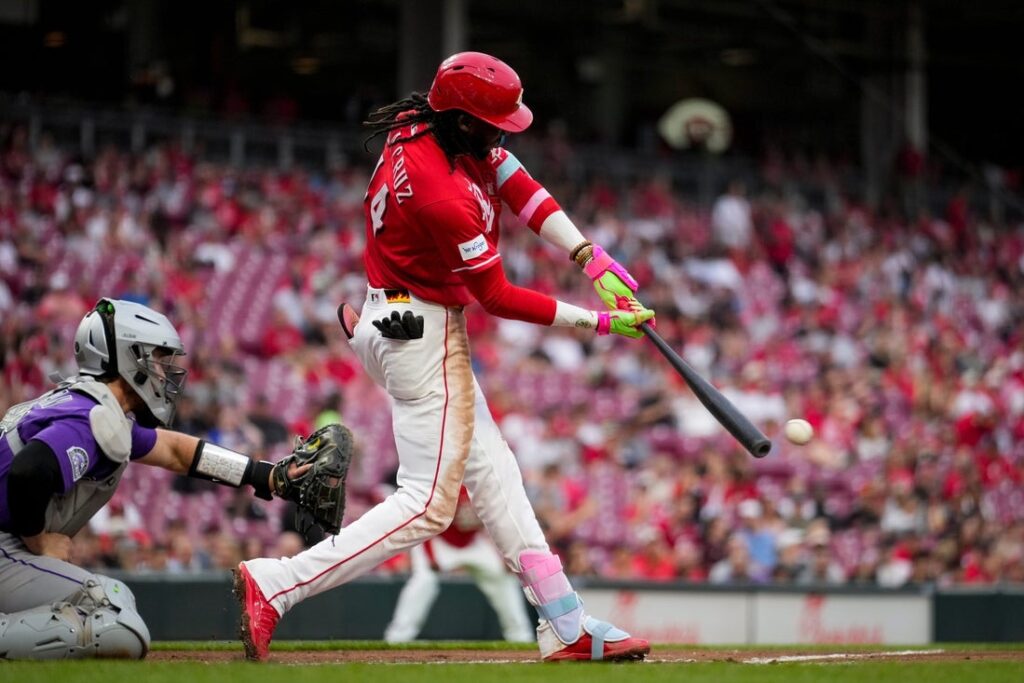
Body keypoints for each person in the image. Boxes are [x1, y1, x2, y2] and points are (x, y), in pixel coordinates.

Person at [236, 51, 653, 663]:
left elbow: (517, 182)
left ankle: (564, 620)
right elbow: (497, 297)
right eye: (495, 123)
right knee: (428, 505)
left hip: (397, 319)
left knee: (496, 473)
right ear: (461, 120)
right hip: (422, 335)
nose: (504, 133)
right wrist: (599, 322)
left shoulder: (425, 126)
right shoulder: (440, 193)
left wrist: (587, 255)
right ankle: (278, 583)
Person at [0, 298, 304, 659]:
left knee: (116, 598)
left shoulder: (88, 405)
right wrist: (40, 543)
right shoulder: (88, 418)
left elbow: (176, 451)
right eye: (157, 359)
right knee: (117, 622)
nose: (164, 373)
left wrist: (263, 475)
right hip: (8, 546)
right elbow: (28, 472)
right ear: (130, 357)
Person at [384, 487, 534, 643]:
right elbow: (425, 519)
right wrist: (431, 555)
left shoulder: (491, 486)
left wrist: (506, 554)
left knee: (503, 579)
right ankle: (398, 637)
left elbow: (499, 523)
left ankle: (520, 638)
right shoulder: (449, 483)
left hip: (472, 542)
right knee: (424, 581)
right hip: (438, 539)